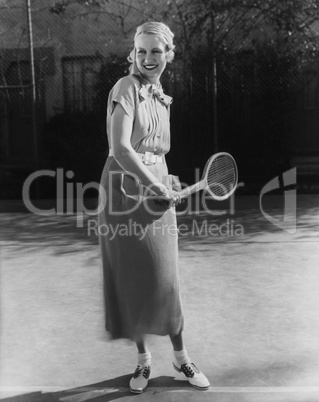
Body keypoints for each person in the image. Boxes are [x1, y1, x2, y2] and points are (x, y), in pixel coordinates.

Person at [98, 21, 210, 394]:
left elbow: (154, 152)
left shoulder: (160, 94)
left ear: (168, 55)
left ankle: (181, 358)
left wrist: (167, 180)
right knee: (135, 279)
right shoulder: (125, 87)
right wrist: (155, 183)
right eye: (141, 51)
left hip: (156, 188)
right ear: (133, 53)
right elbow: (121, 149)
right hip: (124, 193)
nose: (147, 58)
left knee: (166, 280)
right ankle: (143, 360)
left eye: (155, 51)